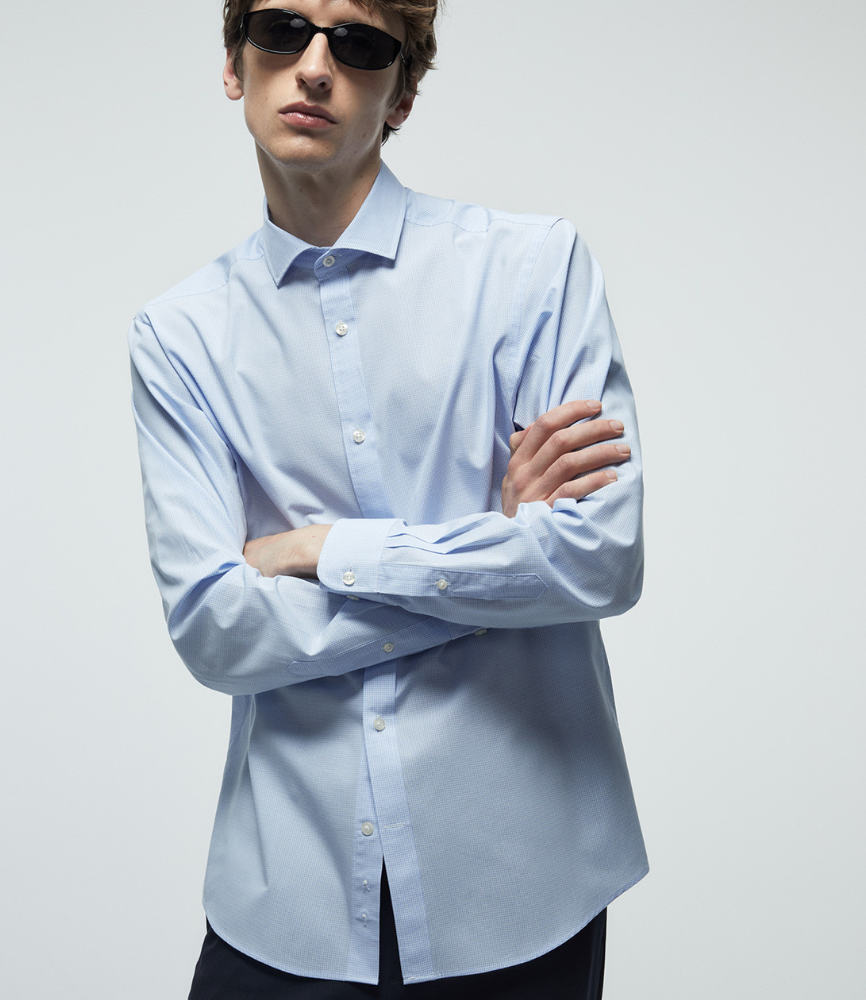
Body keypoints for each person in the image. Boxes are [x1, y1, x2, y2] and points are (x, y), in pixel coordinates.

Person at [128, 1, 647, 996]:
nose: (315, 66)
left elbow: (598, 560)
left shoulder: (532, 270)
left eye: (359, 43)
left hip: (522, 889)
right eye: (282, 30)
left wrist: (321, 549)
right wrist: (495, 564)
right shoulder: (179, 338)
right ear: (234, 65)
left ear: (400, 94)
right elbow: (216, 630)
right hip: (288, 900)